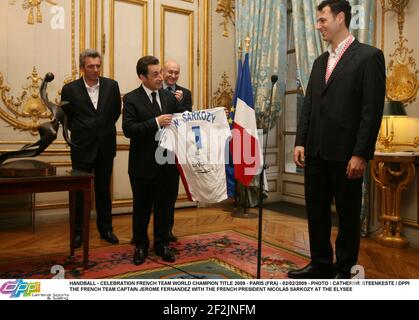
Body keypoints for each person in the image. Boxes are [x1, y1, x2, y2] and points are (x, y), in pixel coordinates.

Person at [287, 0, 385, 279]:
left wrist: (360, 154)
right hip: (315, 152)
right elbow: (309, 106)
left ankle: (343, 269)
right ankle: (320, 263)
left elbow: (371, 111)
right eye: (317, 21)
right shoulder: (319, 62)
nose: (318, 26)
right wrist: (300, 140)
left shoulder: (369, 57)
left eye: (322, 20)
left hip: (346, 156)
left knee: (348, 216)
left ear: (340, 18)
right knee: (316, 212)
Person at [61, 49, 121, 248]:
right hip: (82, 147)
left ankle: (106, 230)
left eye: (98, 66)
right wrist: (84, 130)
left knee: (104, 192)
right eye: (90, 66)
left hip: (105, 146)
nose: (95, 70)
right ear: (82, 68)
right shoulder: (70, 89)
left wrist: (99, 129)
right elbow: (66, 117)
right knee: (79, 193)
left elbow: (114, 113)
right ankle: (78, 232)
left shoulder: (112, 86)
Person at [122, 55, 179, 265]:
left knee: (165, 207)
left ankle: (163, 244)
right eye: (155, 74)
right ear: (142, 77)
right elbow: (129, 130)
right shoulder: (131, 99)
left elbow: (180, 123)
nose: (160, 77)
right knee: (142, 208)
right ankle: (141, 246)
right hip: (143, 165)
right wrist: (155, 122)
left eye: (160, 72)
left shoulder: (169, 98)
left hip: (167, 164)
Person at [161, 59, 193, 242]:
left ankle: (167, 230)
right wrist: (173, 102)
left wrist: (178, 104)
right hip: (156, 147)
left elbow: (186, 116)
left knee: (171, 192)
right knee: (153, 194)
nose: (173, 76)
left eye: (176, 72)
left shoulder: (185, 93)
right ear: (163, 72)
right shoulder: (156, 90)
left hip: (175, 149)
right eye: (170, 72)